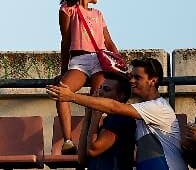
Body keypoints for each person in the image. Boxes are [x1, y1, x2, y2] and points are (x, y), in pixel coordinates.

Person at [47, 58, 186, 170]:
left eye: (137, 77)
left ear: (153, 81)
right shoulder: (137, 112)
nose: (132, 81)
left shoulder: (158, 107)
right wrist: (90, 116)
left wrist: (72, 97)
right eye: (131, 77)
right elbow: (83, 158)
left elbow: (113, 107)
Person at [55, 0, 122, 153]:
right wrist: (63, 70)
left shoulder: (98, 14)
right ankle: (68, 141)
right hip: (79, 60)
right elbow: (66, 41)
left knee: (97, 97)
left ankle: (92, 139)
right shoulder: (68, 9)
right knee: (62, 91)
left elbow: (108, 42)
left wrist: (121, 65)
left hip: (99, 61)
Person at [78, 73, 136, 170]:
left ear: (120, 96)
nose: (100, 92)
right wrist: (88, 115)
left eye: (106, 89)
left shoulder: (121, 119)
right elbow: (82, 159)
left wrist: (96, 118)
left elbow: (92, 150)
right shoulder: (108, 120)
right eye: (100, 88)